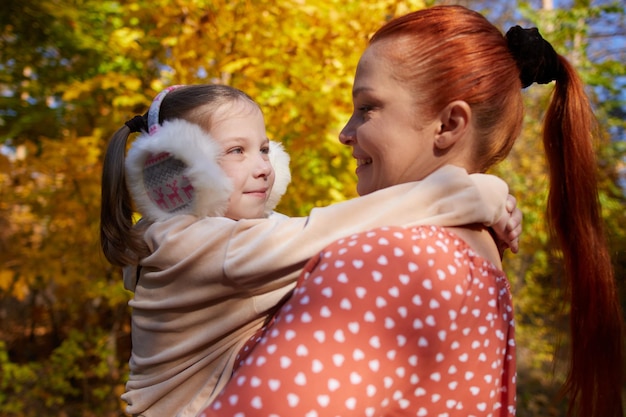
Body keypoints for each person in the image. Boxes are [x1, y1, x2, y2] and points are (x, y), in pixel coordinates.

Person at [199, 5, 623, 417]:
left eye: (367, 107)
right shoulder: (477, 269)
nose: (344, 133)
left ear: (450, 125)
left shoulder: (389, 262)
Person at [100, 84, 521, 416]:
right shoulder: (189, 244)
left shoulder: (235, 237)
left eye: (264, 149)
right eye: (236, 151)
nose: (263, 166)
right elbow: (326, 232)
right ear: (173, 170)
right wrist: (464, 193)